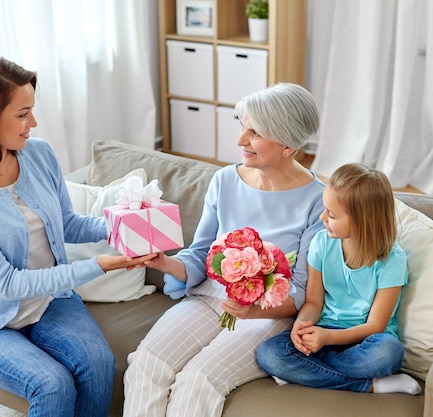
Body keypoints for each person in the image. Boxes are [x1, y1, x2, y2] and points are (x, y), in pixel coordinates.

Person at [0, 56, 156, 417]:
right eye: (22, 114)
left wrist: (123, 227)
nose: (33, 122)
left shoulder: (40, 154)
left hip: (50, 301)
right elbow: (6, 283)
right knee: (51, 384)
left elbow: (66, 224)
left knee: (99, 364)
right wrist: (99, 266)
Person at [122, 83, 326, 417]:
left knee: (198, 381)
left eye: (254, 132)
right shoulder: (225, 181)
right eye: (242, 126)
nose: (240, 140)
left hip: (266, 315)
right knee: (146, 364)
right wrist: (168, 264)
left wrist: (253, 312)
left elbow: (302, 291)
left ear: (287, 144)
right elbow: (201, 252)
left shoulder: (318, 200)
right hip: (207, 298)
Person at [256, 163, 422, 395]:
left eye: (332, 215)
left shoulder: (392, 260)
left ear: (362, 221)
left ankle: (308, 374)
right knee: (270, 354)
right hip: (324, 330)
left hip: (366, 340)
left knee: (388, 352)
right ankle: (369, 385)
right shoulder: (322, 243)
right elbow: (314, 302)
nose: (323, 217)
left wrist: (328, 337)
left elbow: (376, 325)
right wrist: (300, 327)